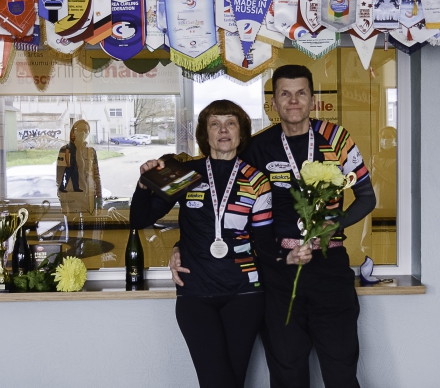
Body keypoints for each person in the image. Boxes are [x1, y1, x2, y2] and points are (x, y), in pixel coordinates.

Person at [171, 66, 376, 387]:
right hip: (278, 273)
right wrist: (180, 246)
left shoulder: (337, 139)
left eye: (301, 93)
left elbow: (366, 198)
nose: (293, 101)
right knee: (287, 372)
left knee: (341, 370)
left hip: (329, 267)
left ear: (312, 99)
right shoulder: (256, 147)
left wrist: (333, 224)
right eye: (285, 94)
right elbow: (217, 203)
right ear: (273, 104)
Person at [130, 100, 311, 388]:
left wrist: (287, 256)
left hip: (244, 295)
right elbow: (140, 219)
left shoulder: (257, 180)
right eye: (215, 124)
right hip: (195, 294)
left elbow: (264, 241)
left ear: (241, 133)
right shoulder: (186, 174)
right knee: (215, 380)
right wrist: (144, 185)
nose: (223, 130)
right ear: (205, 133)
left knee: (233, 380)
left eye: (231, 123)